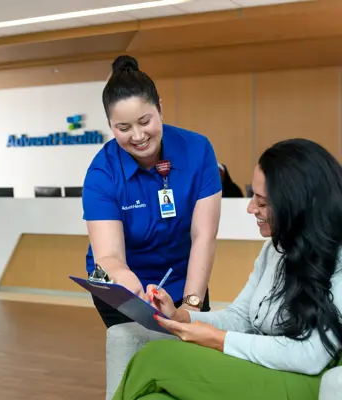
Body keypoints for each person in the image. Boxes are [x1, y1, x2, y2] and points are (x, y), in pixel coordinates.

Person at [111, 138, 342, 400]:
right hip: (262, 367)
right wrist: (181, 317)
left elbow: (309, 356)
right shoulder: (273, 251)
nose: (250, 207)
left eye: (263, 202)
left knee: (155, 357)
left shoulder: (338, 261)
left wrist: (216, 338)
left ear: (299, 205)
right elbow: (240, 318)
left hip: (305, 381)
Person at [82, 54, 222, 329]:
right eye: (123, 128)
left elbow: (204, 236)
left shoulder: (197, 150)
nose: (137, 136)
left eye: (145, 121)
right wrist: (125, 279)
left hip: (184, 280)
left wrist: (191, 307)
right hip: (126, 288)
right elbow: (108, 256)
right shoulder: (102, 173)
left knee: (191, 357)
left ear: (160, 108)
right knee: (140, 357)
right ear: (111, 126)